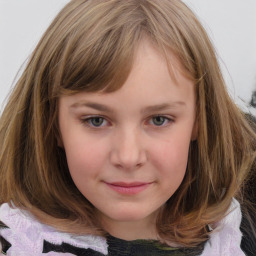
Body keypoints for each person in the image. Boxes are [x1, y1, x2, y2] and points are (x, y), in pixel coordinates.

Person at [0, 0, 255, 255]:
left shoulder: (236, 236)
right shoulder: (16, 244)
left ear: (200, 121)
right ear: (52, 124)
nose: (128, 157)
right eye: (96, 120)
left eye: (159, 120)